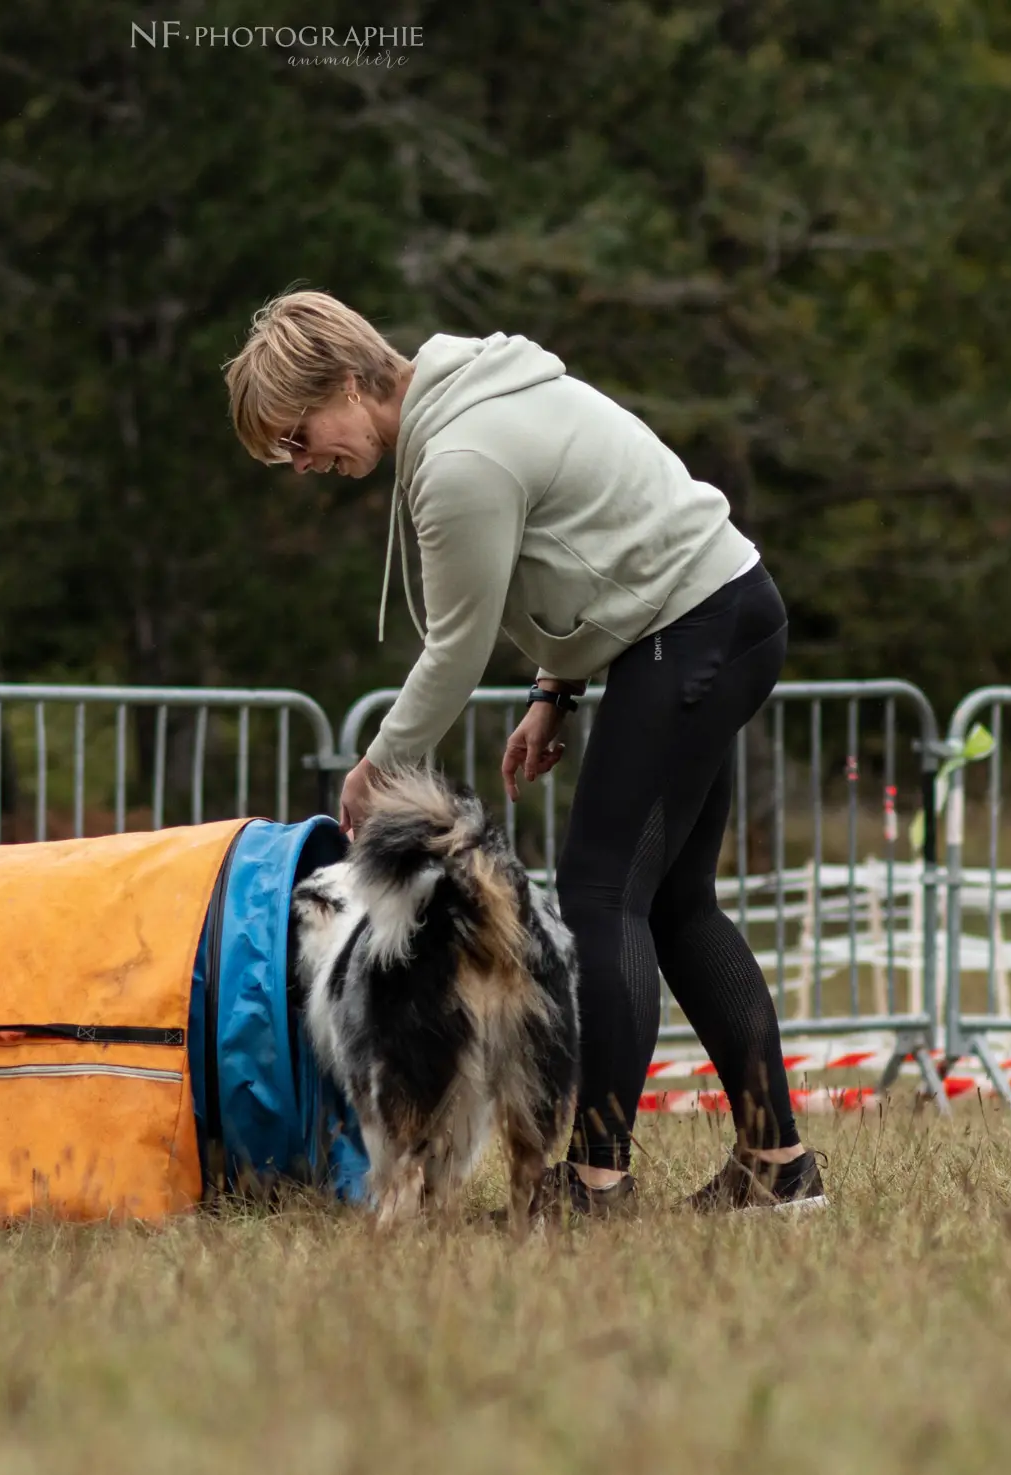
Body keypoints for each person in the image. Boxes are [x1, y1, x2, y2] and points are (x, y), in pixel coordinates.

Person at [222, 289, 824, 1213]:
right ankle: (777, 1166)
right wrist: (556, 686)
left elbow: (456, 648)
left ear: (347, 383)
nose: (303, 464)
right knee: (673, 908)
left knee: (598, 896)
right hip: (718, 612)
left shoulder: (460, 456)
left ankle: (595, 1182)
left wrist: (377, 765)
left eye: (298, 436)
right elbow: (586, 546)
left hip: (696, 627)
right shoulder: (468, 406)